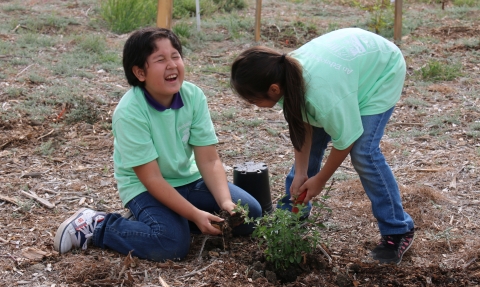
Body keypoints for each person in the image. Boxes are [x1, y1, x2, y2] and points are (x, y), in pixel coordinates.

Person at [54, 27, 262, 261]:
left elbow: (209, 158)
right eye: (160, 60)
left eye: (175, 56)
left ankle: (160, 220)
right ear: (140, 72)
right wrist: (194, 214)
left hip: (189, 180)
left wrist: (225, 202)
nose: (172, 65)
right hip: (144, 187)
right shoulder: (130, 112)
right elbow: (151, 178)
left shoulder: (193, 96)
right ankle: (98, 225)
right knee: (171, 245)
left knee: (250, 215)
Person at [230, 27, 415, 265]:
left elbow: (346, 139)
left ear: (273, 89)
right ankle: (293, 217)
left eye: (254, 100)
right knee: (310, 151)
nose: (253, 105)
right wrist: (301, 172)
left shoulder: (321, 96)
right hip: (346, 71)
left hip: (381, 70)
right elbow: (302, 126)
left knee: (364, 153)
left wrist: (321, 179)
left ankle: (398, 230)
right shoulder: (284, 73)